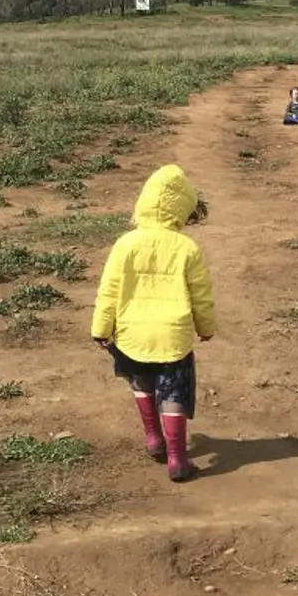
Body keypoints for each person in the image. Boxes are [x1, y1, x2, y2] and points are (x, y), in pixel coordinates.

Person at [91, 163, 215, 482]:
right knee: (173, 391)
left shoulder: (125, 244)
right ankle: (177, 459)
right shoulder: (187, 248)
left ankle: (153, 438)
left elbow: (109, 290)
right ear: (183, 210)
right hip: (172, 337)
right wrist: (206, 327)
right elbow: (201, 294)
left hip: (131, 333)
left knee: (141, 384)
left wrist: (101, 328)